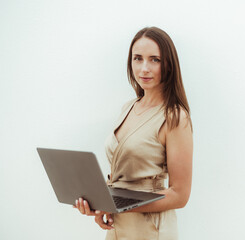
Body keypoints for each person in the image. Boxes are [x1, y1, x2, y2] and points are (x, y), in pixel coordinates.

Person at [74, 26, 193, 240]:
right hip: (118, 226)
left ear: (168, 64)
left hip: (150, 229)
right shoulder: (128, 107)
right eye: (137, 58)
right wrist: (101, 203)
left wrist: (116, 205)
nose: (144, 68)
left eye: (154, 59)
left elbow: (180, 195)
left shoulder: (175, 117)